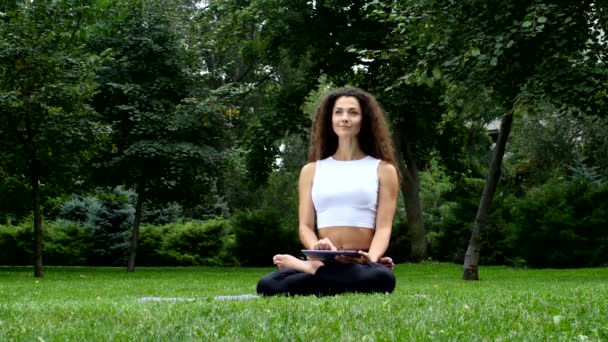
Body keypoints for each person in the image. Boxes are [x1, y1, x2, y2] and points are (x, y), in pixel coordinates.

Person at [256, 87, 399, 296]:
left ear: (364, 119)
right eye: (338, 112)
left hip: (359, 260)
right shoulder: (311, 170)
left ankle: (309, 271)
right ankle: (314, 268)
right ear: (330, 119)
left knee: (382, 277)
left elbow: (384, 228)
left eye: (353, 112)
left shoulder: (384, 169)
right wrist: (317, 248)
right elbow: (305, 226)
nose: (345, 118)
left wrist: (373, 259)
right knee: (267, 284)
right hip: (323, 259)